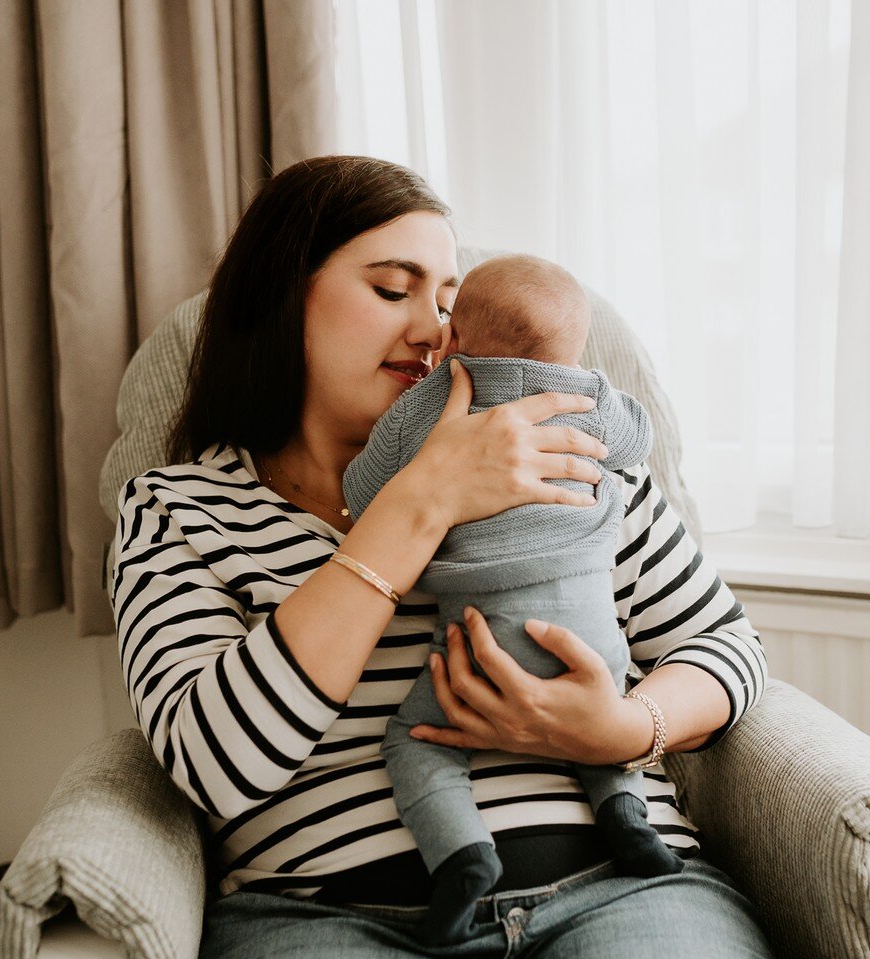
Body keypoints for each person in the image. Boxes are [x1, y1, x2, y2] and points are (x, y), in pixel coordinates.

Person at [110, 155, 775, 958]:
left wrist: (629, 727)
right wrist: (424, 499)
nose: (433, 331)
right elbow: (214, 763)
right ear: (282, 296)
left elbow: (729, 647)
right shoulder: (179, 508)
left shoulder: (563, 449)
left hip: (620, 887)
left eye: (449, 304)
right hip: (329, 918)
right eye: (394, 290)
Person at [341, 254, 681, 946]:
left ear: (457, 337)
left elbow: (362, 487)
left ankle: (463, 854)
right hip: (590, 631)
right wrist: (596, 388)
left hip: (480, 627)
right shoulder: (586, 396)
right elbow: (640, 439)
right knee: (603, 701)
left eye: (445, 312)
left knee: (417, 739)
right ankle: (623, 811)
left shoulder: (433, 404)